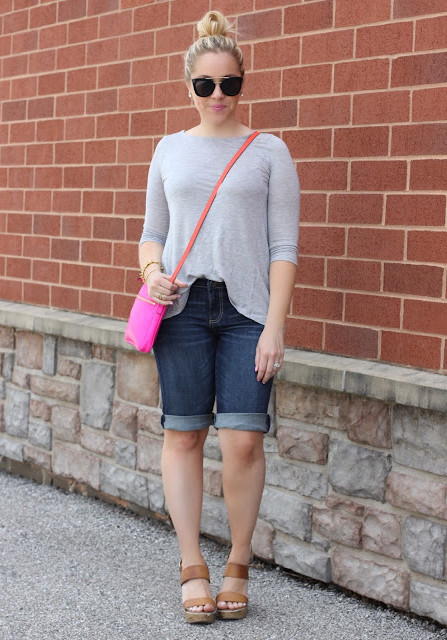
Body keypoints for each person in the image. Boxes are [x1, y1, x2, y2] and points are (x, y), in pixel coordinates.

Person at [138, 10, 300, 624]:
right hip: (179, 309)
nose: (217, 95)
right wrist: (151, 272)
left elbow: (283, 247)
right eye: (205, 84)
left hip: (246, 312)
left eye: (229, 83)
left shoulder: (269, 151)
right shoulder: (169, 149)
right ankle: (191, 565)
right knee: (183, 434)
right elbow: (153, 233)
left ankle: (237, 561)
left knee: (242, 441)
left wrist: (275, 326)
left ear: (242, 83)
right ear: (189, 86)